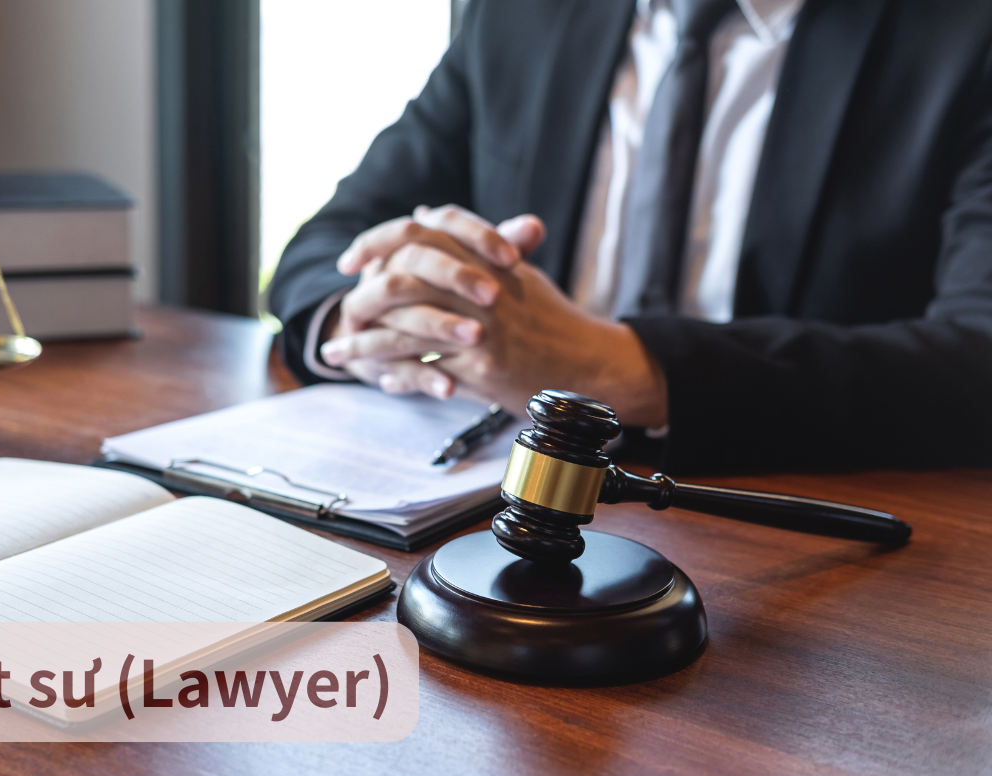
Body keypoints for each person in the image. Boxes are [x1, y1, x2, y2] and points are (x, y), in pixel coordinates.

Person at [267, 0, 992, 473]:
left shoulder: (963, 37)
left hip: (796, 529)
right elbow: (326, 246)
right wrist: (369, 319)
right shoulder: (520, 18)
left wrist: (628, 371)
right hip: (489, 494)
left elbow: (976, 361)